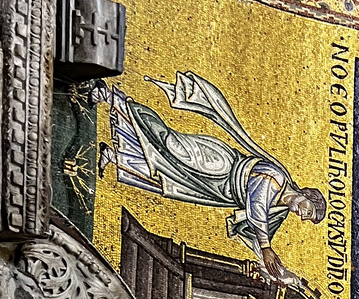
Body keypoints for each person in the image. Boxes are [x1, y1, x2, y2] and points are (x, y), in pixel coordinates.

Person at [96, 71, 325, 286]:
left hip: (220, 192)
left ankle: (117, 156)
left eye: (307, 218)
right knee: (172, 145)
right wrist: (266, 247)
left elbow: (255, 236)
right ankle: (114, 97)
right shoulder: (277, 178)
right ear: (307, 195)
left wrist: (278, 273)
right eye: (309, 210)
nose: (303, 216)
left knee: (168, 177)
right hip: (222, 165)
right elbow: (256, 202)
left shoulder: (278, 212)